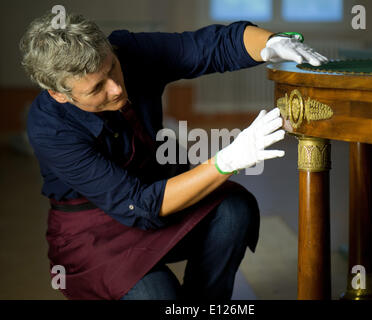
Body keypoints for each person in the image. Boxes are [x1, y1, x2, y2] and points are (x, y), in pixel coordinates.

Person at [19, 11, 327, 300]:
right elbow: (138, 204)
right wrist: (227, 160)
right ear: (60, 94)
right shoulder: (49, 128)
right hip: (94, 232)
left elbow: (212, 46)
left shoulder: (128, 50)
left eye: (111, 67)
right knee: (158, 294)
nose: (115, 88)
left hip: (155, 192)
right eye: (96, 87)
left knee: (234, 210)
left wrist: (272, 43)